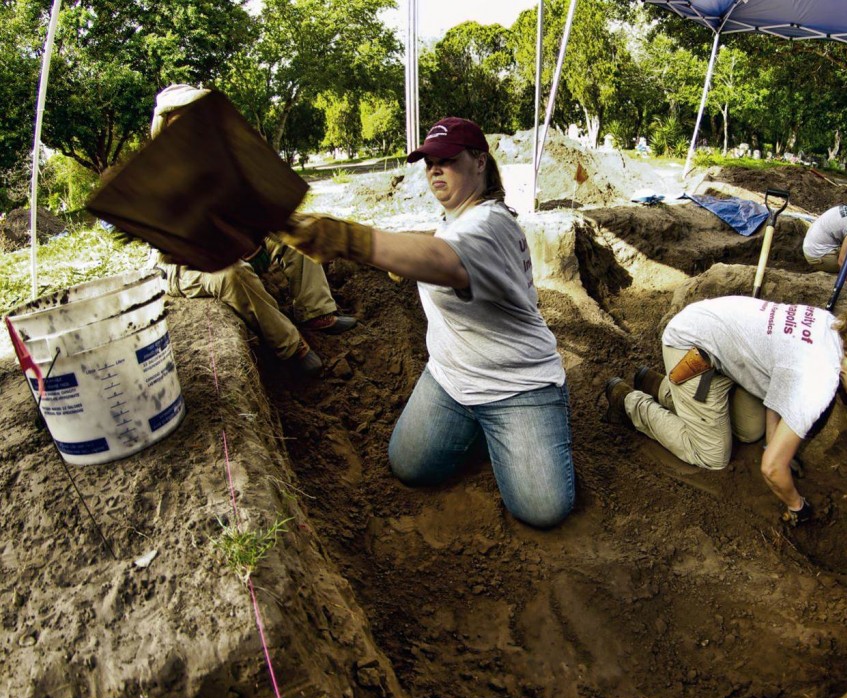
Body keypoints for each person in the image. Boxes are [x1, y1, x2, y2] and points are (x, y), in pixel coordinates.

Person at [281, 117, 575, 528]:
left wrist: (350, 240)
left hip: (516, 385)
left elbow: (445, 260)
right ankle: (483, 433)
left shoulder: (490, 225)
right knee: (409, 466)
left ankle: (521, 427)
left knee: (542, 509)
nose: (435, 169)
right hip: (452, 379)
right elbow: (440, 245)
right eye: (428, 162)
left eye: (447, 160)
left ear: (479, 162)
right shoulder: (457, 219)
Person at [603, 296, 847, 525]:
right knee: (711, 455)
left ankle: (657, 384)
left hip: (718, 350)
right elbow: (771, 469)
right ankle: (629, 401)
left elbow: (779, 391)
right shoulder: (819, 379)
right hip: (691, 348)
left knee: (749, 430)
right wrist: (796, 505)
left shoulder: (833, 328)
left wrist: (771, 446)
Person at [148, 84, 356, 378]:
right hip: (182, 265)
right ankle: (291, 347)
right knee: (233, 275)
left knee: (296, 232)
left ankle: (317, 312)